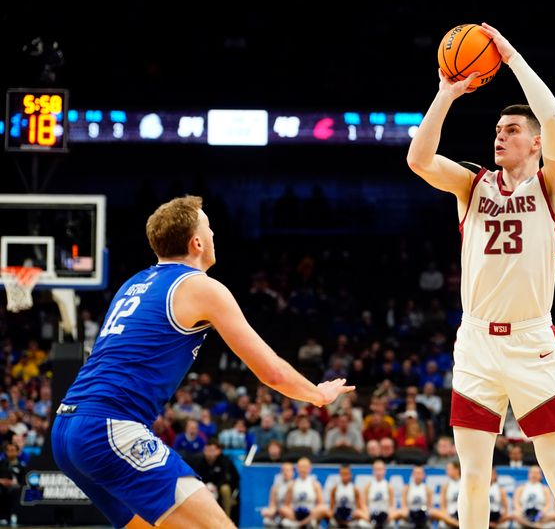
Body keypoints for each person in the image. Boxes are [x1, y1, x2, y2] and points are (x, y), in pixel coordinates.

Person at [50, 195, 354, 529]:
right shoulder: (200, 287)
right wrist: (317, 394)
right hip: (107, 427)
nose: (213, 236)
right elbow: (272, 372)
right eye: (209, 229)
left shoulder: (132, 284)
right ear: (196, 242)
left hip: (67, 428)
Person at [406, 22, 555, 528]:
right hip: (477, 341)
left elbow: (552, 120)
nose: (500, 136)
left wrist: (511, 58)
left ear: (535, 144)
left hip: (532, 340)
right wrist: (445, 95)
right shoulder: (472, 186)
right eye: (497, 131)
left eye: (511, 131)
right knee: (472, 476)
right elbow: (418, 159)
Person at [260, 462, 294, 528]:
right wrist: (270, 511)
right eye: (283, 470)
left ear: (292, 472)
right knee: (266, 520)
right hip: (277, 513)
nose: (285, 473)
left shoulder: (295, 485)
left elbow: (290, 506)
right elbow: (272, 505)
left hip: (290, 514)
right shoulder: (275, 487)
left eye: (287, 470)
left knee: (286, 523)